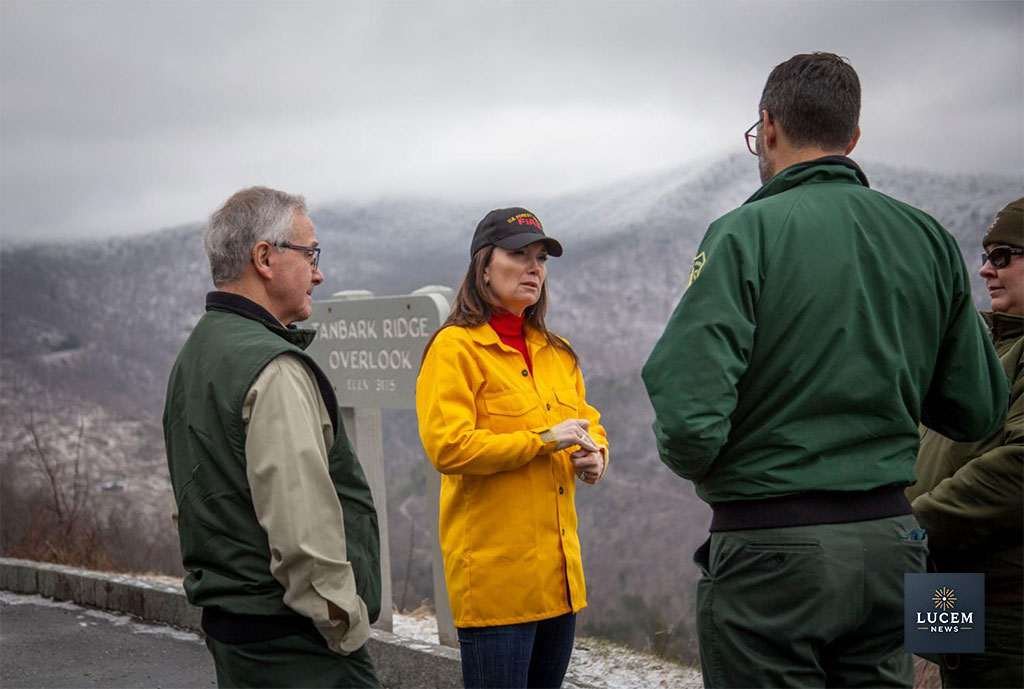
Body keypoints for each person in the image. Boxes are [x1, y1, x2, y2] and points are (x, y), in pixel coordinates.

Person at [641, 52, 1008, 688]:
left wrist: (736, 476)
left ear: (769, 126)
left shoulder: (743, 235)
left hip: (772, 547)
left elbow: (688, 417)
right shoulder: (927, 239)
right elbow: (977, 409)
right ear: (853, 137)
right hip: (893, 545)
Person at [163, 186, 381, 688]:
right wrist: (342, 622)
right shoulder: (273, 368)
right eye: (311, 255)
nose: (319, 274)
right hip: (293, 640)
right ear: (264, 258)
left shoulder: (198, 352)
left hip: (235, 629)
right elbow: (301, 521)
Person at [416, 207, 608, 689]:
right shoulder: (454, 349)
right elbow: (449, 448)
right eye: (519, 255)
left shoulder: (557, 352)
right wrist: (543, 441)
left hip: (560, 583)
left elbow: (587, 422)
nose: (533, 268)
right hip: (496, 588)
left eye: (540, 258)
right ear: (483, 266)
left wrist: (594, 455)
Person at [907, 197, 1023, 689]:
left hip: (1006, 600)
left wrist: (910, 526)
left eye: (1003, 256)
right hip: (943, 580)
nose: (985, 270)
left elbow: (1018, 467)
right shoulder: (979, 343)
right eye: (985, 256)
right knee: (944, 673)